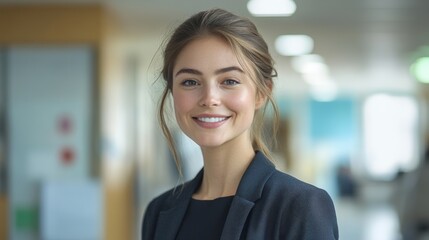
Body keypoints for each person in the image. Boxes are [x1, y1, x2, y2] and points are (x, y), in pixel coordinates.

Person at [142, 8, 339, 240]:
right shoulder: (159, 211)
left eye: (230, 81)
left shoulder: (299, 206)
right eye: (190, 81)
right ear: (172, 92)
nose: (209, 98)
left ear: (262, 93)